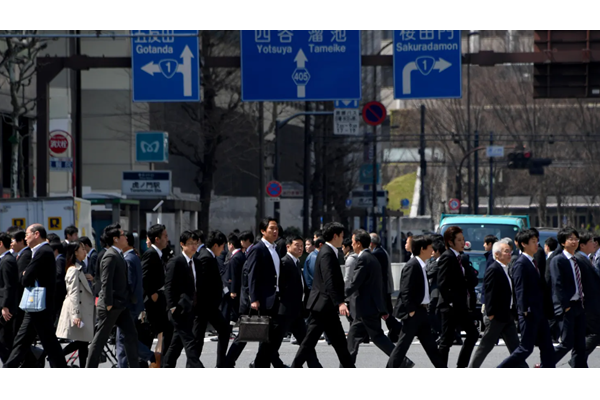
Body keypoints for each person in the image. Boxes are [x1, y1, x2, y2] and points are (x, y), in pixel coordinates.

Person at [3, 224, 67, 368]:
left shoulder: (43, 251)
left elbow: (25, 279)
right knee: (29, 341)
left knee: (42, 342)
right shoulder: (40, 251)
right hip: (38, 305)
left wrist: (25, 274)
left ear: (36, 234)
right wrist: (26, 274)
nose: (26, 238)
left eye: (27, 234)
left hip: (39, 306)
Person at [292, 222, 355, 369]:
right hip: (323, 306)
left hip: (325, 307)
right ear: (335, 236)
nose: (343, 238)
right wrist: (339, 302)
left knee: (339, 344)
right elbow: (329, 281)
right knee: (309, 343)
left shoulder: (328, 251)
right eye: (341, 235)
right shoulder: (327, 253)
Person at [498, 229, 556, 369]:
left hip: (539, 312)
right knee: (525, 348)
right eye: (533, 242)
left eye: (537, 241)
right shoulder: (520, 263)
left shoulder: (532, 262)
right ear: (523, 244)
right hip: (529, 313)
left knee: (547, 347)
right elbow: (519, 288)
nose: (537, 245)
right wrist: (524, 309)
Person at [388, 235, 446, 369]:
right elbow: (405, 290)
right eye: (430, 247)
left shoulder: (422, 265)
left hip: (422, 311)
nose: (433, 250)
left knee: (431, 347)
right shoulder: (413, 265)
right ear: (422, 249)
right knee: (402, 347)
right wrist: (411, 310)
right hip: (414, 312)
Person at [86, 224, 140, 368]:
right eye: (123, 235)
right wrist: (109, 303)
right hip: (111, 305)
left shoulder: (118, 254)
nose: (126, 237)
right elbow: (106, 281)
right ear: (115, 239)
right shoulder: (110, 255)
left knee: (131, 335)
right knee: (99, 340)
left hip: (121, 305)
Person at [469, 240, 527, 369]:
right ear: (496, 254)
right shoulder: (494, 269)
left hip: (507, 315)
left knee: (515, 347)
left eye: (510, 251)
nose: (509, 254)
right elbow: (490, 294)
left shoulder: (506, 269)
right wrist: (490, 314)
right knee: (485, 346)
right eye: (506, 251)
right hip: (497, 317)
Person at [346, 230, 397, 366]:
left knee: (369, 337)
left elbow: (354, 283)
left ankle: (401, 360)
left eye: (352, 242)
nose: (351, 245)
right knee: (369, 337)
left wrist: (339, 295)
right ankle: (401, 360)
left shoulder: (363, 259)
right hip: (369, 306)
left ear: (358, 243)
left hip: (365, 307)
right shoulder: (372, 257)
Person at [437, 226, 479, 368]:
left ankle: (461, 365)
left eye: (463, 239)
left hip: (462, 306)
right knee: (446, 342)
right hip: (450, 307)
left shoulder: (462, 258)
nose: (463, 242)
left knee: (473, 334)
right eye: (459, 240)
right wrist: (449, 303)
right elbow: (442, 284)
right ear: (450, 242)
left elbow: (472, 281)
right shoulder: (447, 257)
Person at [163, 231, 204, 368]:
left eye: (195, 243)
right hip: (178, 309)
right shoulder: (176, 262)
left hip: (190, 309)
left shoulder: (197, 262)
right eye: (190, 243)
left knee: (176, 344)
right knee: (189, 341)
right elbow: (168, 286)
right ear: (182, 244)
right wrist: (172, 306)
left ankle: (166, 365)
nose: (194, 246)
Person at [548, 227, 587, 368]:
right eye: (571, 239)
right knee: (566, 343)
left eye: (576, 239)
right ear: (563, 242)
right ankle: (545, 363)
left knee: (580, 344)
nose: (574, 241)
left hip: (579, 305)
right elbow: (558, 285)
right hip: (567, 306)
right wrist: (566, 306)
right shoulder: (558, 260)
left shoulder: (577, 259)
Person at [117, 232, 156, 369]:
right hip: (135, 306)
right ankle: (148, 356)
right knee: (128, 338)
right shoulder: (134, 256)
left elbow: (130, 284)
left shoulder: (128, 259)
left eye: (120, 237)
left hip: (128, 307)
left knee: (123, 340)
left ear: (127, 240)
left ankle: (149, 355)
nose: (117, 240)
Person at [192, 231, 231, 369]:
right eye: (222, 246)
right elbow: (201, 285)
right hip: (205, 307)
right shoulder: (206, 258)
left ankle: (220, 364)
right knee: (197, 339)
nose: (223, 250)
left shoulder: (209, 256)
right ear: (215, 245)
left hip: (209, 307)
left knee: (221, 331)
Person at [56, 241, 95, 368]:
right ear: (75, 252)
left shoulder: (80, 268)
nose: (85, 251)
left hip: (82, 309)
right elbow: (73, 293)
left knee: (83, 341)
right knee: (82, 341)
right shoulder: (73, 269)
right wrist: (76, 314)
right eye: (82, 249)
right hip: (78, 310)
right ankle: (56, 356)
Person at [141, 224, 172, 367]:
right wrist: (152, 293)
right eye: (165, 236)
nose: (167, 239)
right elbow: (144, 276)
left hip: (160, 299)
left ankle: (157, 363)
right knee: (151, 335)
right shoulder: (151, 253)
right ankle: (147, 362)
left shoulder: (160, 254)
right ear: (157, 239)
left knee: (162, 332)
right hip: (153, 301)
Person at [0, 233, 19, 363]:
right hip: (4, 306)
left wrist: (5, 306)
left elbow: (8, 286)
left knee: (4, 341)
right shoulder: (5, 259)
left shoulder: (7, 261)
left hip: (6, 308)